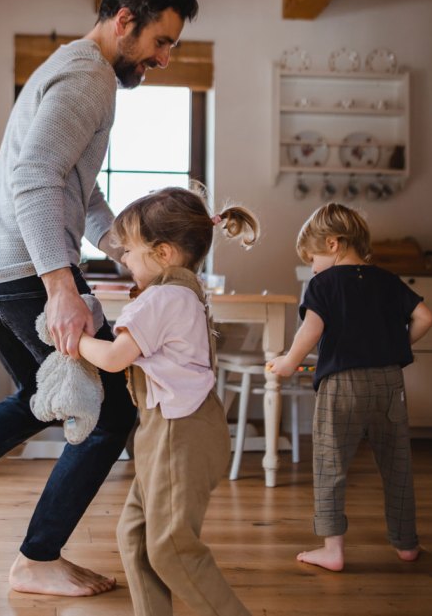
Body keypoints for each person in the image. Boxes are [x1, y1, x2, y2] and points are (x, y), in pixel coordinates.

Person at [0, 0, 199, 597]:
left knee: (42, 395)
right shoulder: (90, 79)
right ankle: (36, 557)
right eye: (161, 41)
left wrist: (135, 251)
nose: (164, 58)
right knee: (111, 412)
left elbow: (72, 192)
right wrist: (61, 286)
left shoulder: (73, 67)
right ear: (124, 21)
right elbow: (34, 181)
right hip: (24, 267)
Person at [77, 187, 258, 616]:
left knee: (170, 547)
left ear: (162, 253)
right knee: (136, 537)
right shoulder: (183, 294)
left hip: (181, 434)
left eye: (131, 250)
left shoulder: (161, 298)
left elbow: (113, 358)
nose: (124, 259)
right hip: (172, 429)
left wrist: (74, 341)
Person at [269, 203, 432, 572]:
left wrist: (288, 362)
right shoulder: (387, 280)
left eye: (312, 257)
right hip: (390, 384)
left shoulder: (323, 285)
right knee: (397, 465)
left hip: (342, 386)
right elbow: (425, 317)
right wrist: (398, 346)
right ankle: (407, 544)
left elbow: (310, 331)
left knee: (331, 465)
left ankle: (332, 549)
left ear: (333, 244)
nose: (312, 267)